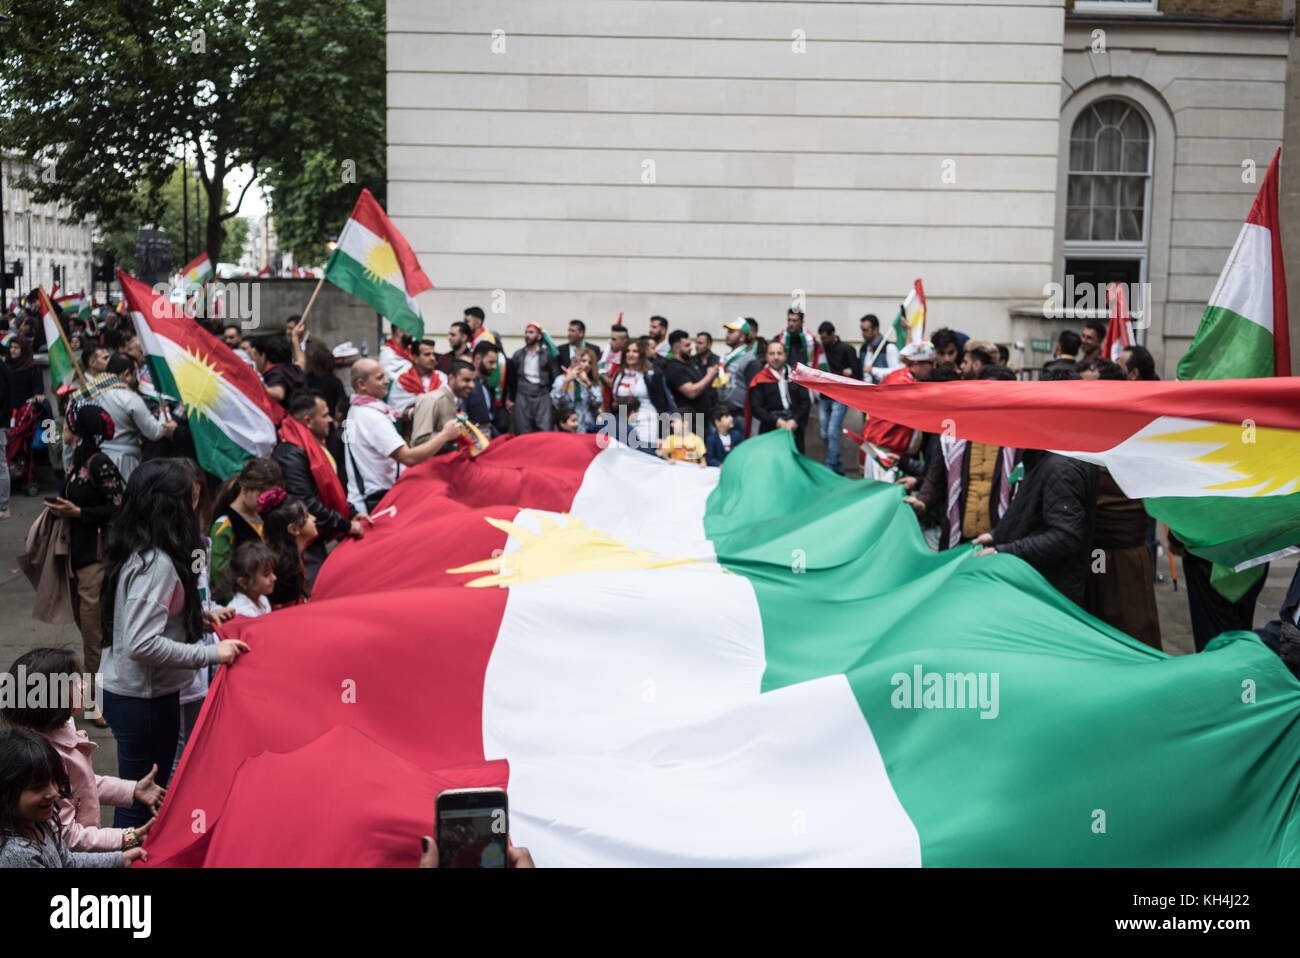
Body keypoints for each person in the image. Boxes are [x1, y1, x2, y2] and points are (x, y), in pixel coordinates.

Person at [99, 458, 249, 828]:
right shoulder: (159, 564)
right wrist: (210, 653)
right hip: (143, 700)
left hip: (132, 694)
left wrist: (196, 619)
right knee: (142, 801)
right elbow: (141, 643)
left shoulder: (139, 549)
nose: (196, 505)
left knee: (140, 793)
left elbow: (141, 622)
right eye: (189, 498)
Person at [1, 648, 163, 853]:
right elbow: (67, 836)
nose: (85, 685)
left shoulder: (61, 727)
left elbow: (82, 784)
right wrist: (129, 838)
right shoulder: (46, 759)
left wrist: (132, 790)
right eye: (75, 682)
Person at [41, 404, 124, 694]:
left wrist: (79, 512)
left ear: (78, 432)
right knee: (83, 624)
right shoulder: (78, 462)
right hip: (75, 555)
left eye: (66, 426)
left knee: (93, 631)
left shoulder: (100, 463)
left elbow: (119, 506)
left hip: (95, 558)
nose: (62, 430)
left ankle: (100, 696)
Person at [0, 728, 145, 868]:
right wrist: (129, 838)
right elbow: (73, 840)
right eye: (37, 788)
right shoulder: (19, 856)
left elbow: (68, 861)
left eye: (54, 781)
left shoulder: (41, 822)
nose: (53, 792)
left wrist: (120, 859)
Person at [973, 450, 1099, 606]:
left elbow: (1065, 538)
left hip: (1047, 590)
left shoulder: (1062, 468)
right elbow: (1033, 512)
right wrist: (997, 536)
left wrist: (1003, 550)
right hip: (1036, 583)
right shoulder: (1046, 459)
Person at [272, 390, 366, 587]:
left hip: (314, 538)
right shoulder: (291, 454)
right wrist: (345, 524)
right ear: (307, 421)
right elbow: (305, 502)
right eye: (324, 415)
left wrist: (351, 513)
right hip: (303, 546)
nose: (331, 420)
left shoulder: (311, 444)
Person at [343, 358, 449, 515]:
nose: (387, 381)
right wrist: (445, 435)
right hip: (378, 500)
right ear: (361, 384)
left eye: (384, 376)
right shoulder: (371, 417)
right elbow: (409, 458)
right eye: (379, 378)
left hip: (368, 496)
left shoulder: (355, 411)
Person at [856, 341, 934, 480]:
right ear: (916, 364)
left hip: (890, 451)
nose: (933, 368)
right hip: (885, 451)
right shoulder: (902, 383)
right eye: (930, 363)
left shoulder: (903, 378)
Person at [209, 456, 283, 600]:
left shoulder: (266, 515)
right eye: (261, 495)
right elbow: (221, 576)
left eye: (270, 496)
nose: (265, 501)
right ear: (245, 488)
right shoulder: (225, 526)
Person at [93, 353, 176, 480]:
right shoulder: (129, 398)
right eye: (135, 373)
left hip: (96, 460)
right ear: (126, 374)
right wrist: (165, 414)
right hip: (125, 463)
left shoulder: (89, 395)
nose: (136, 379)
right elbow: (155, 433)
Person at [745, 340, 810, 453]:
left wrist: (794, 421)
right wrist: (777, 421)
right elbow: (756, 408)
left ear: (785, 355)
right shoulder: (759, 379)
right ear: (766, 356)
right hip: (770, 428)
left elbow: (805, 402)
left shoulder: (795, 377)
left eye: (779, 353)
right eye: (772, 353)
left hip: (794, 427)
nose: (776, 357)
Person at [257, 488, 316, 608]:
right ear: (293, 529)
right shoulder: (283, 568)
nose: (314, 518)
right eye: (307, 517)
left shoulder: (294, 554)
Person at [816, 321, 861, 474]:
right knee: (824, 432)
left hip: (839, 396)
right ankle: (838, 466)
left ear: (833, 334)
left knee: (832, 431)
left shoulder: (846, 349)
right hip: (824, 395)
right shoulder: (821, 351)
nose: (824, 342)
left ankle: (830, 467)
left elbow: (857, 373)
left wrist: (846, 373)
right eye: (822, 339)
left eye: (826, 338)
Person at [611, 338, 669, 449]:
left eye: (635, 351)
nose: (630, 354)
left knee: (644, 455)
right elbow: (612, 402)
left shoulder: (651, 375)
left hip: (646, 421)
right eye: (628, 351)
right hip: (623, 422)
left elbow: (662, 406)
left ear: (641, 354)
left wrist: (662, 435)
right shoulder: (619, 375)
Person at [511, 323, 560, 434]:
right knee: (522, 429)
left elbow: (555, 376)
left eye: (531, 332)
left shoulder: (546, 354)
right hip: (522, 394)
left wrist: (553, 396)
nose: (527, 335)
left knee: (545, 428)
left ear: (538, 336)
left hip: (542, 393)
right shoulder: (518, 354)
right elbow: (512, 378)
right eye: (526, 332)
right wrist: (510, 398)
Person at [664, 329, 718, 428]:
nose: (691, 348)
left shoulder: (692, 363)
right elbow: (691, 392)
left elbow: (703, 384)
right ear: (676, 348)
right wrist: (709, 376)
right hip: (688, 423)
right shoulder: (674, 368)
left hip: (704, 419)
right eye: (687, 345)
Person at [714, 318, 762, 418]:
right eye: (727, 332)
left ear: (742, 337)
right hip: (720, 414)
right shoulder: (725, 358)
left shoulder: (750, 360)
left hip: (739, 415)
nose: (727, 335)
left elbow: (755, 393)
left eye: (731, 332)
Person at [549, 346, 603, 433]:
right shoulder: (561, 379)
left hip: (586, 427)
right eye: (583, 361)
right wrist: (567, 382)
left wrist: (588, 384)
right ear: (575, 361)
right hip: (566, 428)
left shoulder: (592, 383)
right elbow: (556, 402)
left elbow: (597, 403)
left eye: (590, 363)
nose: (586, 365)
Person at [247, 332, 307, 408]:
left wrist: (251, 386)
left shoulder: (274, 373)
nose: (252, 360)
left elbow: (279, 393)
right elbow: (301, 361)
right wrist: (295, 339)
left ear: (263, 356)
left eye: (254, 355)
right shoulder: (293, 369)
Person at [223, 540, 277, 619]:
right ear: (244, 583)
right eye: (266, 575)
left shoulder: (263, 600)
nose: (274, 578)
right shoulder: (242, 612)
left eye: (272, 572)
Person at [388, 338, 443, 415]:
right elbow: (394, 410)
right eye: (427, 354)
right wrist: (412, 413)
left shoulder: (442, 378)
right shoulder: (402, 381)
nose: (432, 358)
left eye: (433, 354)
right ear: (415, 358)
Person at [858, 313, 902, 384]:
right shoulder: (863, 348)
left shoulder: (889, 348)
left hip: (881, 391)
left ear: (875, 329)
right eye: (862, 330)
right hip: (864, 391)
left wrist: (874, 371)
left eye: (865, 330)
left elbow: (896, 372)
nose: (862, 333)